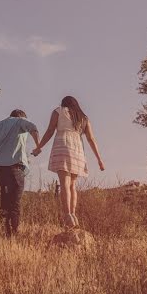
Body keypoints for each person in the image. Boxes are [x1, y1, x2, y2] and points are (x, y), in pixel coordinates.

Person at [32, 96, 105, 228]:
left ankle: (67, 215)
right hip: (78, 149)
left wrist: (39, 147)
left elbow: (50, 131)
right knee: (72, 185)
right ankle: (73, 214)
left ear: (63, 103)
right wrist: (99, 159)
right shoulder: (83, 117)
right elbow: (91, 139)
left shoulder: (59, 111)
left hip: (63, 145)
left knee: (64, 183)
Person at [0, 109, 40, 237]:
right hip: (14, 167)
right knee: (15, 201)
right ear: (21, 116)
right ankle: (14, 234)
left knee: (4, 198)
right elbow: (34, 128)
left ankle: (4, 232)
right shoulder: (20, 121)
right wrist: (38, 147)